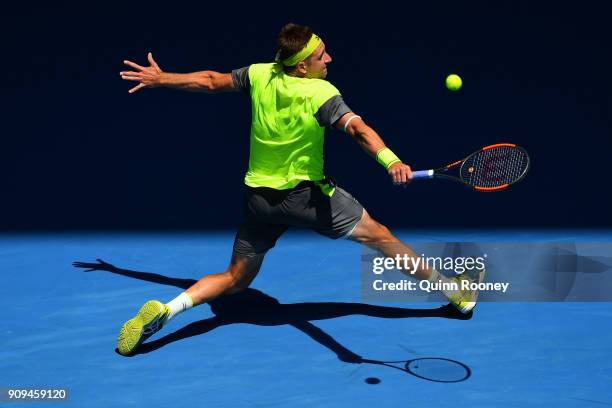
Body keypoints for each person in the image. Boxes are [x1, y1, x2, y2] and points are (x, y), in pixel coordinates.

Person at [116, 23, 485, 356]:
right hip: (308, 199)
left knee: (234, 278)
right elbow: (357, 130)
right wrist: (391, 161)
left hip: (258, 200)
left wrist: (161, 78)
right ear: (303, 66)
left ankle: (168, 309)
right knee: (381, 237)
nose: (329, 58)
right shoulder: (320, 92)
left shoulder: (260, 74)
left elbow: (212, 81)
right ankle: (456, 294)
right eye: (321, 55)